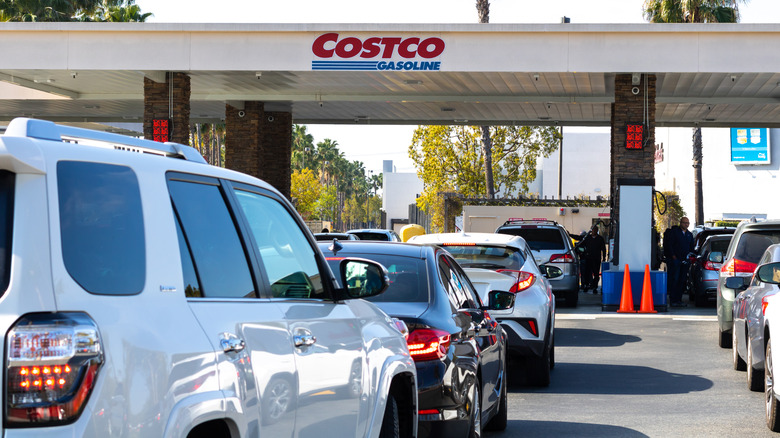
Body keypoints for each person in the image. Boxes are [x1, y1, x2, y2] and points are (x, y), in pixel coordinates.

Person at [663, 217, 694, 307]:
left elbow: (691, 247)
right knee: (675, 280)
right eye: (684, 223)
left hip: (685, 261)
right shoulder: (674, 233)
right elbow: (670, 245)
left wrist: (689, 258)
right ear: (680, 223)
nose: (686, 224)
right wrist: (674, 257)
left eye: (688, 223)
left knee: (682, 280)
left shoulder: (689, 234)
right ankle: (673, 300)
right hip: (675, 261)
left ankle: (679, 300)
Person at [580, 225, 607, 293]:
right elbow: (579, 238)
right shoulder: (587, 238)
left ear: (597, 230)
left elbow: (603, 249)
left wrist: (604, 258)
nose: (593, 231)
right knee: (587, 273)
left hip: (596, 259)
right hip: (588, 258)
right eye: (592, 229)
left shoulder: (600, 239)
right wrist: (569, 234)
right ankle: (586, 285)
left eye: (595, 230)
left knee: (596, 274)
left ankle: (595, 286)